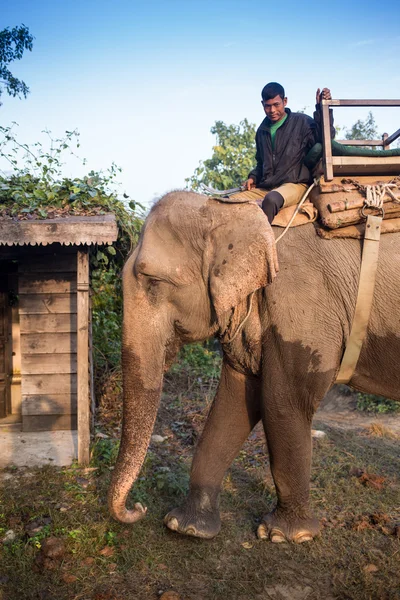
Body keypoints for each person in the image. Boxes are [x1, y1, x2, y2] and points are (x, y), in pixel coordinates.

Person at [243, 82, 334, 223]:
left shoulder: (302, 122)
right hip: (267, 186)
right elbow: (261, 162)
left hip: (294, 184)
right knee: (225, 202)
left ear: (285, 101)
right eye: (268, 106)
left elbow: (325, 138)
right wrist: (253, 177)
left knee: (271, 200)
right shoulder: (261, 131)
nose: (272, 110)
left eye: (276, 104)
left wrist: (322, 108)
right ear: (262, 104)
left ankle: (263, 244)